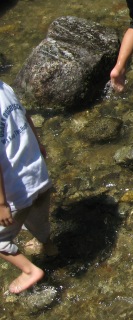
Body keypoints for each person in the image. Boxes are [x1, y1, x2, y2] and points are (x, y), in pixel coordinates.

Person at [0, 81, 56, 294]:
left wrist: (2, 204)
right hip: (38, 174)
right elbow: (25, 117)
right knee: (39, 221)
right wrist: (39, 145)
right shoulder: (4, 88)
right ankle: (50, 247)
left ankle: (29, 271)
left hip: (14, 191)